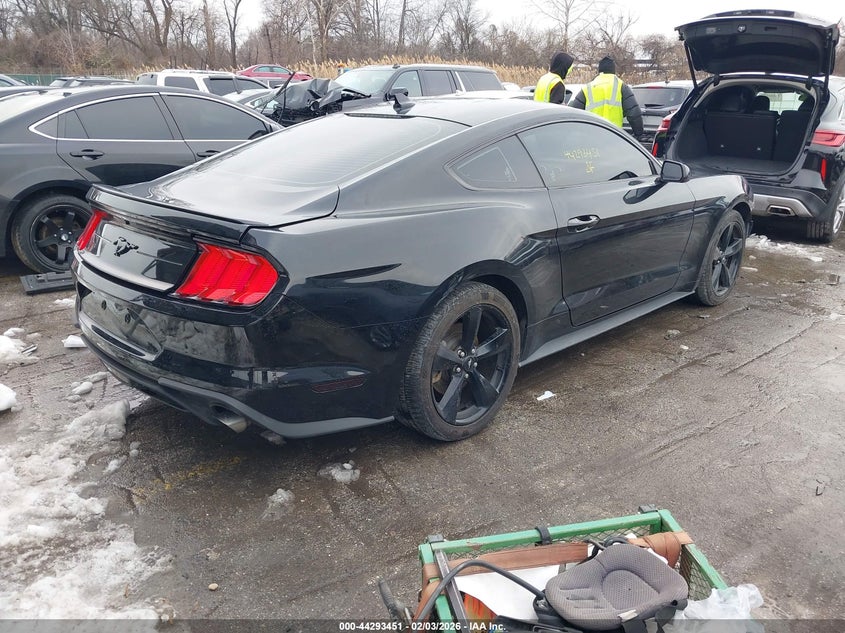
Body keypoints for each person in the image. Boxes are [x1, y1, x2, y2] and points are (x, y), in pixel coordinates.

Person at [570, 56, 644, 138]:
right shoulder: (620, 86)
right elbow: (634, 113)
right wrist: (638, 133)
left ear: (599, 71)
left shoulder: (588, 87)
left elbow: (574, 113)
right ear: (613, 70)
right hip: (614, 135)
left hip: (591, 137)